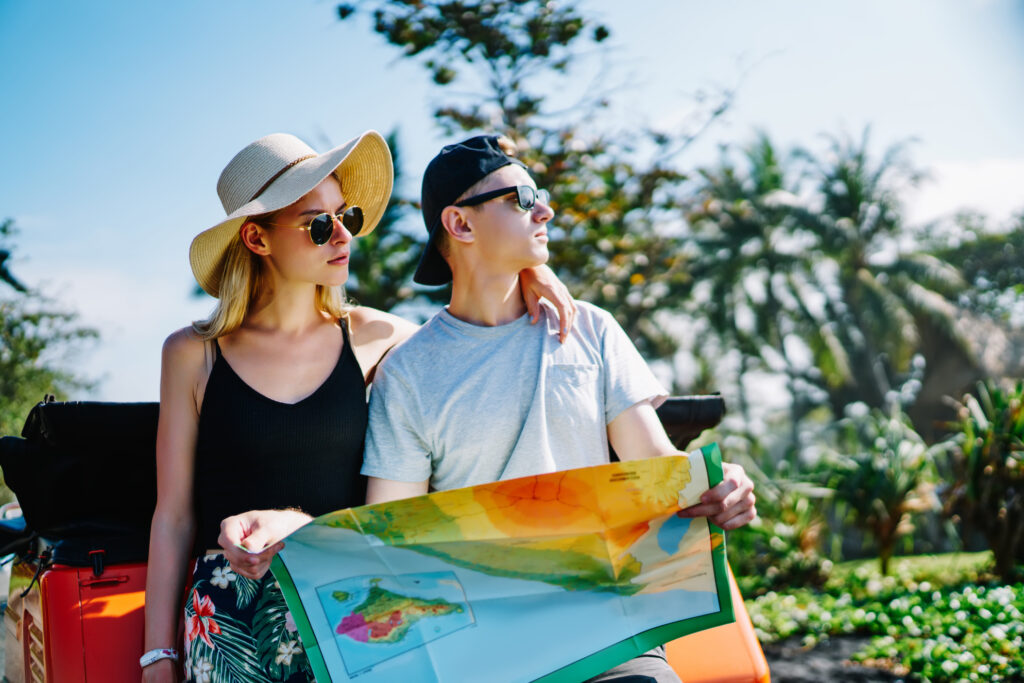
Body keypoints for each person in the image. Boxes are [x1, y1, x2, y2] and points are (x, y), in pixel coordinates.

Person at [223, 135, 756, 682]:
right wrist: (296, 525)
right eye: (523, 197)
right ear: (460, 225)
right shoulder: (407, 372)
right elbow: (388, 538)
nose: (545, 209)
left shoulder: (590, 328)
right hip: (480, 655)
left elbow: (659, 468)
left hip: (612, 640)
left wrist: (721, 489)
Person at [141, 130, 575, 683]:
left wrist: (532, 271)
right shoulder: (191, 354)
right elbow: (173, 516)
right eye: (319, 224)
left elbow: (478, 329)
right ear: (257, 239)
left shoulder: (378, 338)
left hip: (350, 608)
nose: (343, 233)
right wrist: (158, 656)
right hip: (229, 622)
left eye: (345, 214)